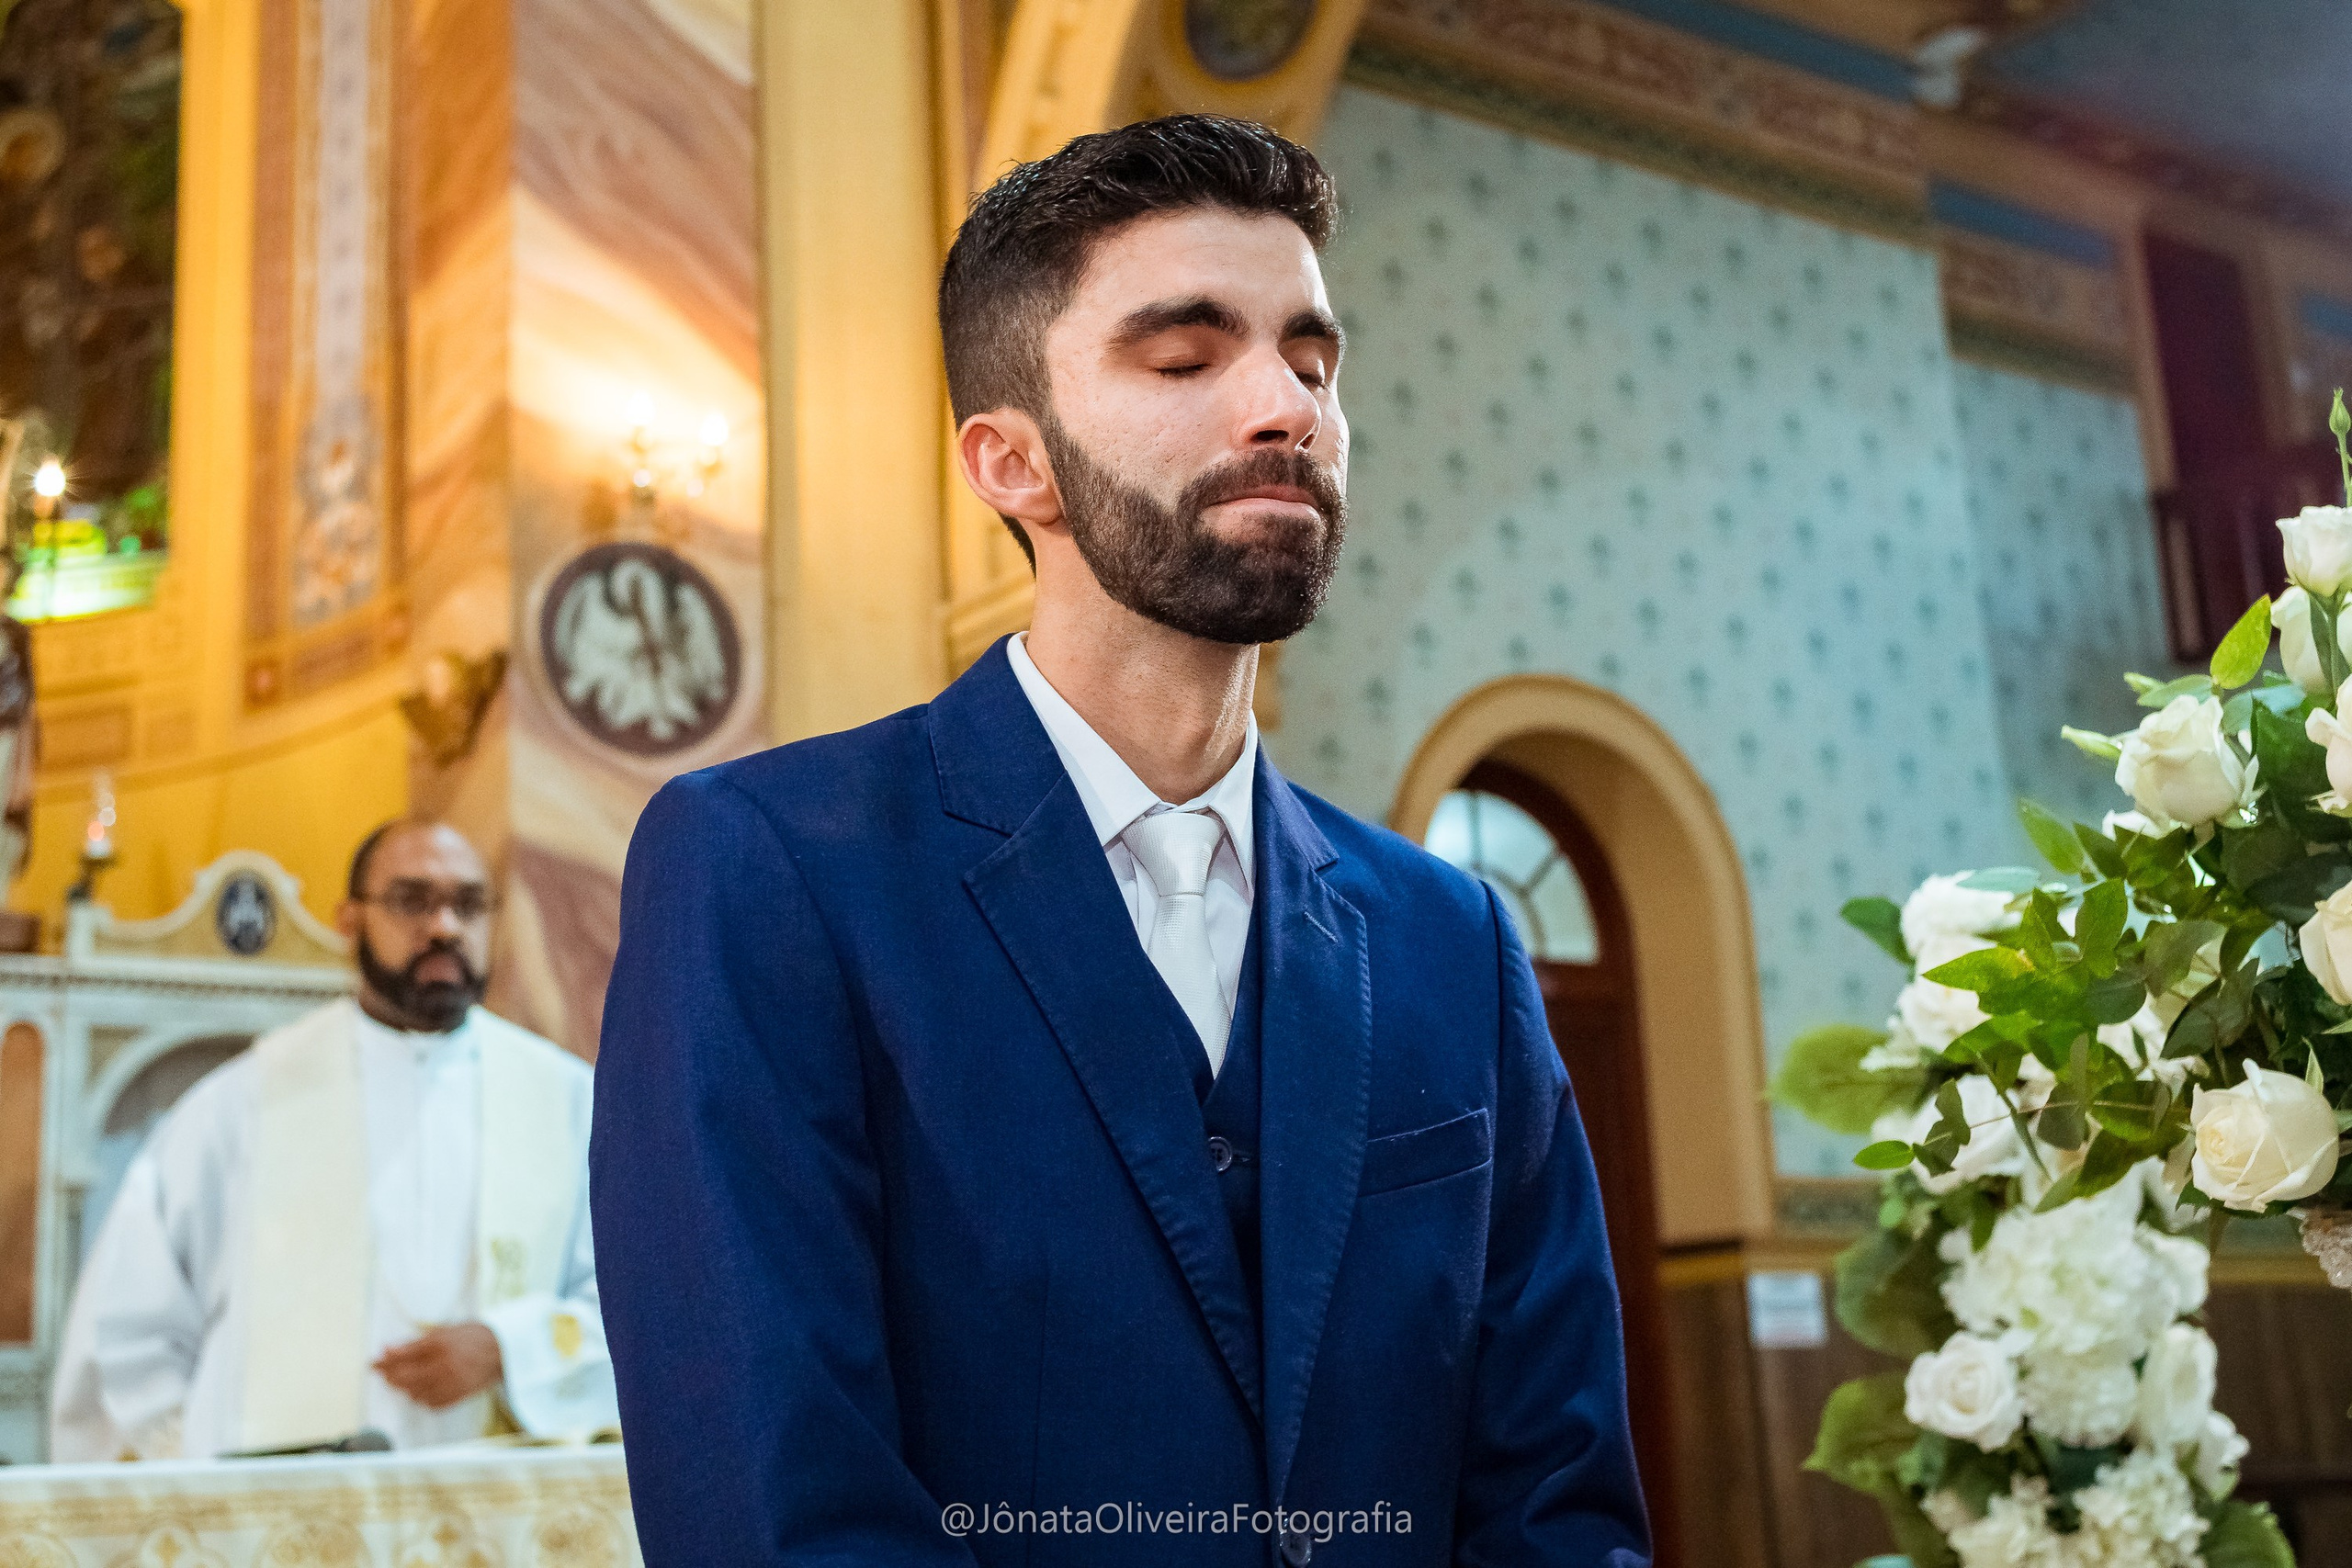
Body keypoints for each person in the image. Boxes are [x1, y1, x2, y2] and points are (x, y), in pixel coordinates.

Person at [594, 115, 1650, 1566]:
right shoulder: (769, 868)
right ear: (1012, 462)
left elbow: (1557, 1491)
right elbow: (778, 1502)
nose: (1284, 404)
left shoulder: (1449, 939)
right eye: (1185, 356)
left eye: (1313, 357)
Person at [51, 820, 616, 1460]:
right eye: (411, 900)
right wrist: (196, 1474)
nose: (445, 927)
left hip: (510, 1518)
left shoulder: (570, 1101)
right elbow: (131, 1323)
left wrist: (512, 1349)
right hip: (292, 1521)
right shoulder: (241, 1104)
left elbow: (644, 1295)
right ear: (349, 920)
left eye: (468, 904)